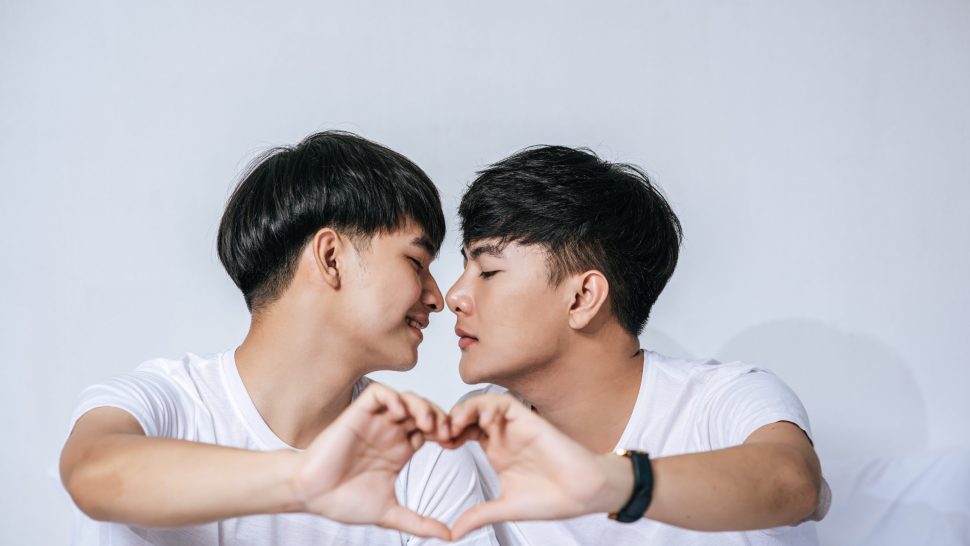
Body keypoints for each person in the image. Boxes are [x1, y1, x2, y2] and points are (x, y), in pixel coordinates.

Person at [59, 131, 497, 545]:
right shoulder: (170, 403)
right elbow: (91, 474)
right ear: (331, 258)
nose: (437, 297)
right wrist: (301, 481)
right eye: (416, 262)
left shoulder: (425, 458)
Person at [442, 145, 830, 545]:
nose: (454, 295)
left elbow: (795, 483)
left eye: (487, 271)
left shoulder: (721, 400)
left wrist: (607, 482)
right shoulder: (477, 430)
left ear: (582, 297)